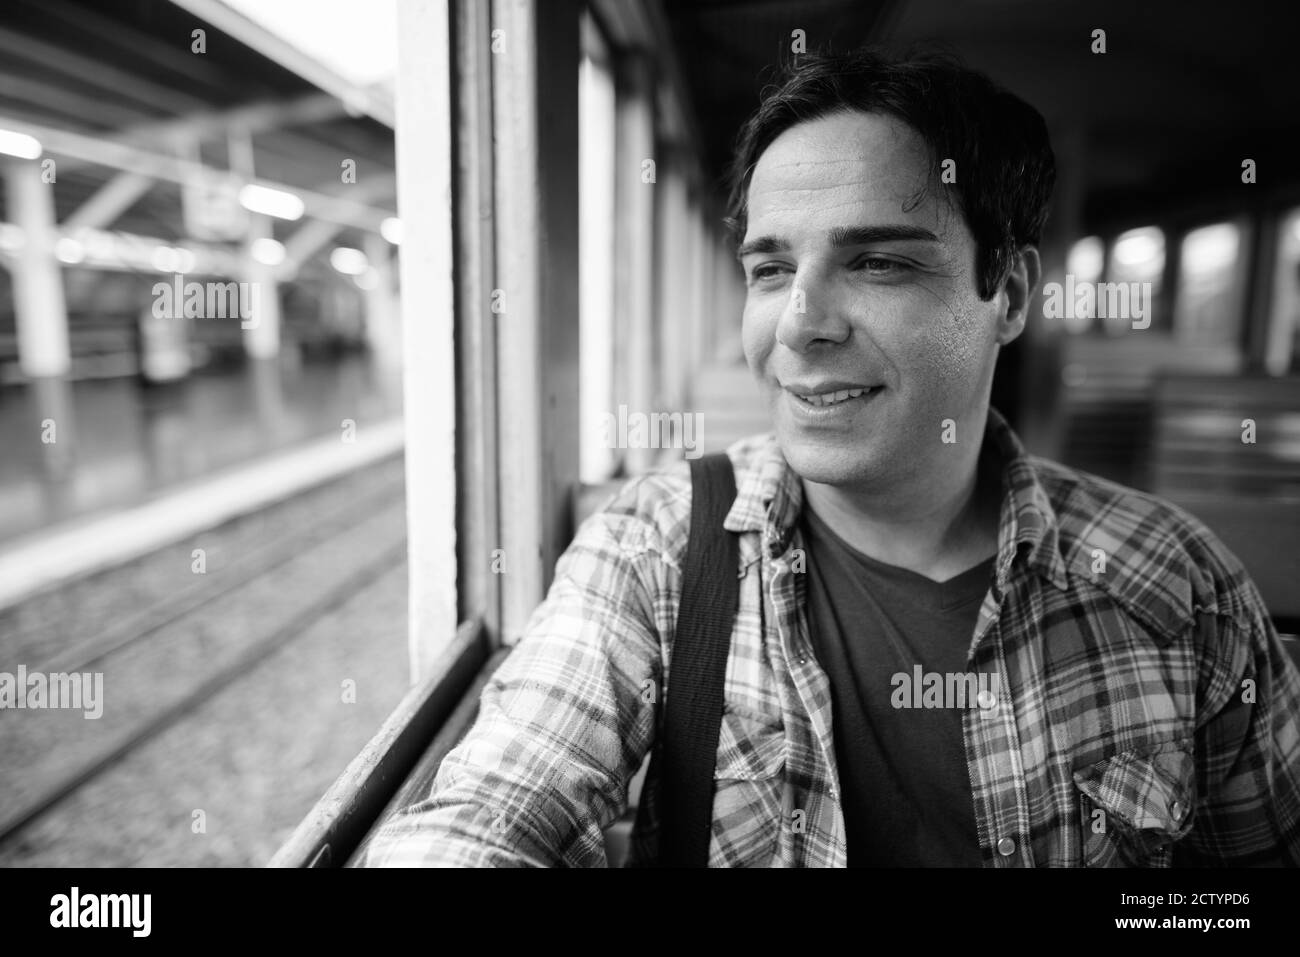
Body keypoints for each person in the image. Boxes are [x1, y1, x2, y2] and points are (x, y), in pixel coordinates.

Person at [364, 48, 1300, 867]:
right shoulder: (655, 552)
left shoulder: (1178, 589)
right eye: (771, 269)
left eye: (878, 263)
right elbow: (492, 812)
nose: (800, 325)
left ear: (1008, 293)